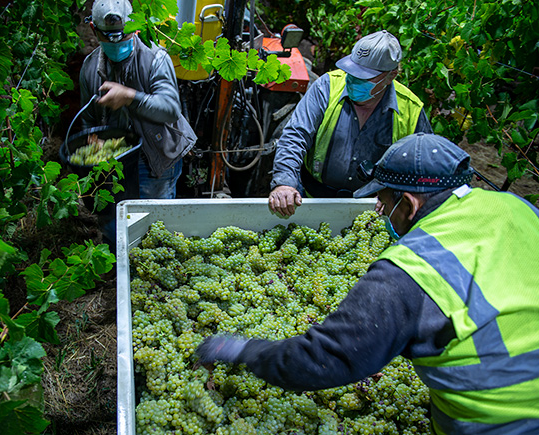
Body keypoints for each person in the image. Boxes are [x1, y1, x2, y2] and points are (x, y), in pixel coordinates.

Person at [196, 133, 539, 434]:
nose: (378, 207)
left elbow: (325, 358)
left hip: (500, 419)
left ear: (409, 204)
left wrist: (244, 350)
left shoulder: (409, 272)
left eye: (385, 200)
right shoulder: (518, 207)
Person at [268, 30, 433, 217]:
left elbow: (422, 167)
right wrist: (284, 182)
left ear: (390, 76)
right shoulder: (326, 87)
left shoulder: (410, 109)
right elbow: (295, 135)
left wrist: (394, 194)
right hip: (312, 198)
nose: (353, 81)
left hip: (371, 210)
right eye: (351, 73)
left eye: (363, 78)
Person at [79, 0, 196, 244]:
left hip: (154, 156)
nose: (115, 44)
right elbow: (87, 117)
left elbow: (170, 110)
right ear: (93, 29)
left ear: (136, 28)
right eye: (107, 38)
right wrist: (93, 140)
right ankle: (119, 272)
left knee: (154, 225)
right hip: (115, 160)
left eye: (122, 38)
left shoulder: (155, 59)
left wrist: (130, 97)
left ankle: (150, 277)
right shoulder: (90, 68)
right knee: (113, 223)